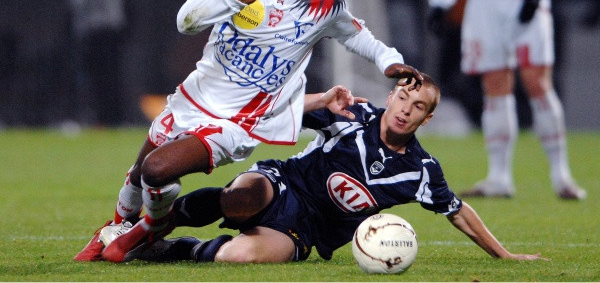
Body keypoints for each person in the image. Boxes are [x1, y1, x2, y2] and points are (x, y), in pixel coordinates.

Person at [74, 0, 423, 263]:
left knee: (156, 170)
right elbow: (185, 22)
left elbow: (359, 35)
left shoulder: (325, 4)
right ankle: (116, 227)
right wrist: (234, 0)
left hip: (238, 122)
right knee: (139, 175)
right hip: (195, 97)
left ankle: (150, 229)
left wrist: (389, 61)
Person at [99, 75, 545, 264]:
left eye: (418, 107)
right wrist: (320, 100)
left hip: (307, 230)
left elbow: (458, 211)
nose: (406, 109)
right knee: (241, 199)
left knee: (239, 257)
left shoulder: (422, 171)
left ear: (426, 119)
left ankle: (170, 250)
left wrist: (504, 256)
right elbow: (285, 111)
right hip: (283, 183)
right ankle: (153, 226)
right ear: (391, 96)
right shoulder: (354, 115)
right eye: (403, 98)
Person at [427, 0, 585, 199]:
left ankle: (561, 175)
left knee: (537, 82)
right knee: (495, 85)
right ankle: (499, 177)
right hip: (483, 1)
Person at [62, 0, 128, 126]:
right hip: (88, 33)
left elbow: (123, 0)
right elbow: (74, 3)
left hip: (110, 32)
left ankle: (114, 118)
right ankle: (90, 117)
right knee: (89, 78)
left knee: (112, 77)